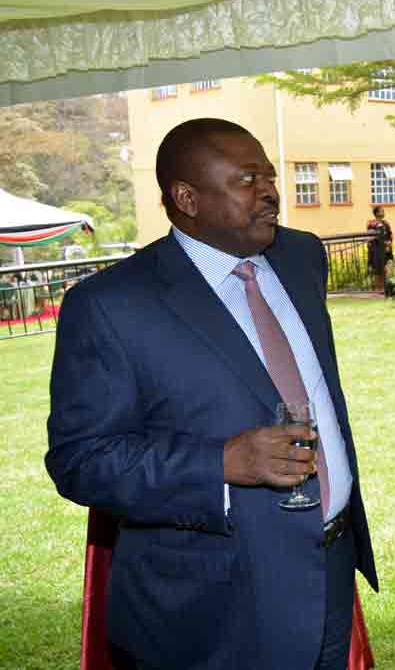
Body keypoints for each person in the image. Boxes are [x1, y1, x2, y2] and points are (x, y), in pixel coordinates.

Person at [46, 118, 377, 669]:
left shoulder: (300, 256)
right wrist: (220, 462)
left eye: (269, 176)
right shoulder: (110, 305)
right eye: (247, 179)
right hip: (214, 606)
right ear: (187, 198)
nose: (270, 192)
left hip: (331, 568)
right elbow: (80, 460)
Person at [366, 205, 392, 292]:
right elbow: (371, 237)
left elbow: (390, 235)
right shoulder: (371, 224)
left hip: (386, 250)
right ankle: (378, 289)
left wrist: (389, 243)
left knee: (385, 268)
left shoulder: (386, 223)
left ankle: (384, 288)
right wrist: (383, 242)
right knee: (377, 270)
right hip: (376, 250)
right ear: (376, 213)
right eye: (381, 211)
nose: (383, 212)